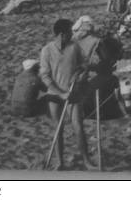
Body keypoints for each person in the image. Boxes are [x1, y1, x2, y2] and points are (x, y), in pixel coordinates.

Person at [39, 19, 94, 170]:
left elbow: (84, 65)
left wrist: (81, 73)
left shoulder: (74, 47)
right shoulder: (47, 50)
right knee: (58, 128)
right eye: (70, 32)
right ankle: (60, 162)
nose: (72, 34)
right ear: (62, 34)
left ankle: (86, 160)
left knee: (78, 126)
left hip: (72, 92)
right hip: (54, 94)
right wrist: (60, 94)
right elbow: (45, 76)